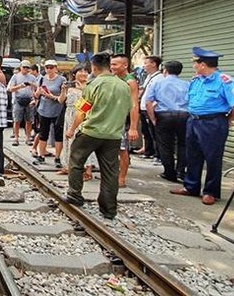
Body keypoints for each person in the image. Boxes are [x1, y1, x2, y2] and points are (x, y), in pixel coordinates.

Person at [171, 47, 234, 205]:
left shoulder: (225, 81)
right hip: (193, 120)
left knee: (213, 158)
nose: (194, 66)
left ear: (203, 64)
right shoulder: (196, 80)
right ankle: (191, 186)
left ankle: (211, 192)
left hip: (213, 123)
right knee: (192, 155)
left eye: (195, 63)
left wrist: (227, 120)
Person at [64, 53, 131, 219]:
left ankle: (74, 194)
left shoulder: (93, 85)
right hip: (113, 135)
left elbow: (81, 111)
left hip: (90, 132)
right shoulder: (124, 86)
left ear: (94, 68)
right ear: (109, 66)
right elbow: (129, 108)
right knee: (110, 171)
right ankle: (109, 209)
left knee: (76, 161)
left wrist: (72, 129)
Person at [145, 60, 189, 182]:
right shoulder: (187, 84)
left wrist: (152, 117)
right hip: (184, 115)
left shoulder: (157, 83)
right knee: (183, 144)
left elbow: (148, 102)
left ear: (165, 70)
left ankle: (169, 172)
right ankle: (181, 171)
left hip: (164, 115)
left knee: (165, 145)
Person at [58, 63, 97, 181]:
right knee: (70, 142)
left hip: (83, 116)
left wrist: (82, 89)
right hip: (69, 116)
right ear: (74, 74)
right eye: (81, 71)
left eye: (86, 71)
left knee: (84, 143)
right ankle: (69, 167)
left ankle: (88, 170)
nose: (84, 74)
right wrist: (63, 90)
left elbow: (91, 103)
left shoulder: (90, 86)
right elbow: (61, 101)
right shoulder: (70, 87)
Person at [110, 54, 140, 187]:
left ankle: (122, 178)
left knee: (122, 149)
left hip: (121, 120)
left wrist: (133, 127)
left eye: (115, 64)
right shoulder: (113, 78)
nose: (112, 67)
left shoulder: (130, 81)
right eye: (111, 64)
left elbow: (134, 105)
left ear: (125, 65)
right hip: (111, 118)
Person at [32, 60, 66, 166]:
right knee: (43, 133)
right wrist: (38, 93)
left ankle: (57, 157)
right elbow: (36, 95)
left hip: (57, 110)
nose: (49, 69)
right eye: (47, 67)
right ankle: (41, 155)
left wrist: (51, 96)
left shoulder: (62, 80)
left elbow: (63, 97)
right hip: (43, 110)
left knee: (58, 134)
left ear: (56, 68)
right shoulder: (42, 79)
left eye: (51, 67)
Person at [7, 60, 40, 147]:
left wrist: (31, 84)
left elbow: (37, 88)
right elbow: (9, 89)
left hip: (29, 99)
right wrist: (20, 86)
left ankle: (27, 138)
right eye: (24, 67)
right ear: (20, 67)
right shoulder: (16, 76)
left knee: (29, 120)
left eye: (27, 68)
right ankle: (16, 138)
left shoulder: (32, 77)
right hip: (18, 99)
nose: (25, 69)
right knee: (17, 120)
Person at [136, 56, 163, 159]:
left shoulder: (159, 78)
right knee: (146, 131)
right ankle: (148, 151)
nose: (144, 66)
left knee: (154, 132)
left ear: (154, 64)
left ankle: (158, 154)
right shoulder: (149, 76)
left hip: (151, 108)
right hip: (143, 108)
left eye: (146, 63)